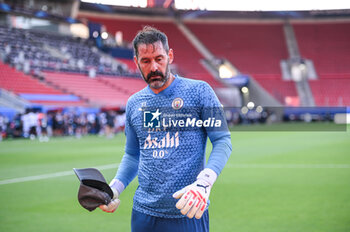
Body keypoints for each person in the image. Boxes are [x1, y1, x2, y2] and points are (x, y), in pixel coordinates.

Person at [99, 26, 232, 232]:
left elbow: (222, 140)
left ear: (169, 56)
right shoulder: (135, 103)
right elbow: (133, 155)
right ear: (136, 62)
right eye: (145, 61)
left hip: (188, 210)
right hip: (143, 214)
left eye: (159, 59)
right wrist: (114, 188)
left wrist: (205, 182)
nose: (153, 67)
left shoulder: (199, 92)